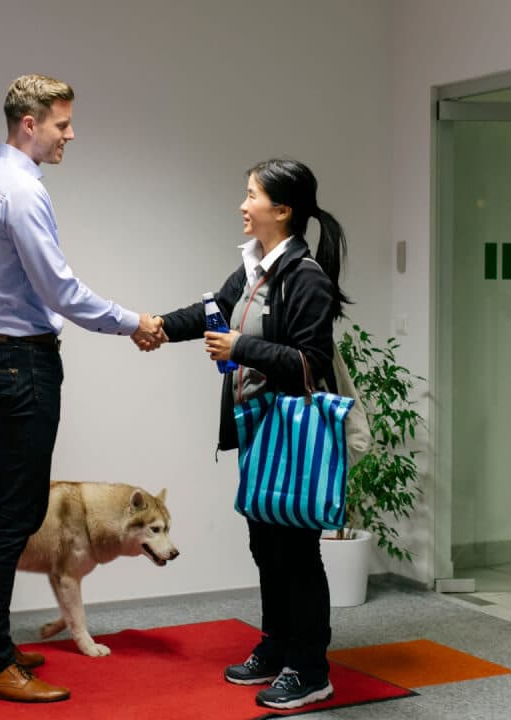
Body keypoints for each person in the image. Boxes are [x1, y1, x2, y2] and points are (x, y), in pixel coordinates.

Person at [0, 73, 165, 704]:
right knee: (13, 516)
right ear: (30, 123)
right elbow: (60, 290)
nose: (70, 135)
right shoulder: (22, 191)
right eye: (62, 124)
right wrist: (134, 322)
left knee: (13, 512)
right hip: (22, 362)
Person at [154, 158, 348, 710]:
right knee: (266, 547)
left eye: (252, 196)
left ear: (282, 210)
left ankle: (310, 669)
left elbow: (311, 363)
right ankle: (276, 647)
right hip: (258, 427)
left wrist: (241, 348)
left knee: (296, 553)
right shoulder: (255, 267)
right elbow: (214, 311)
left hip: (290, 433)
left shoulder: (304, 277)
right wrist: (158, 327)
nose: (243, 205)